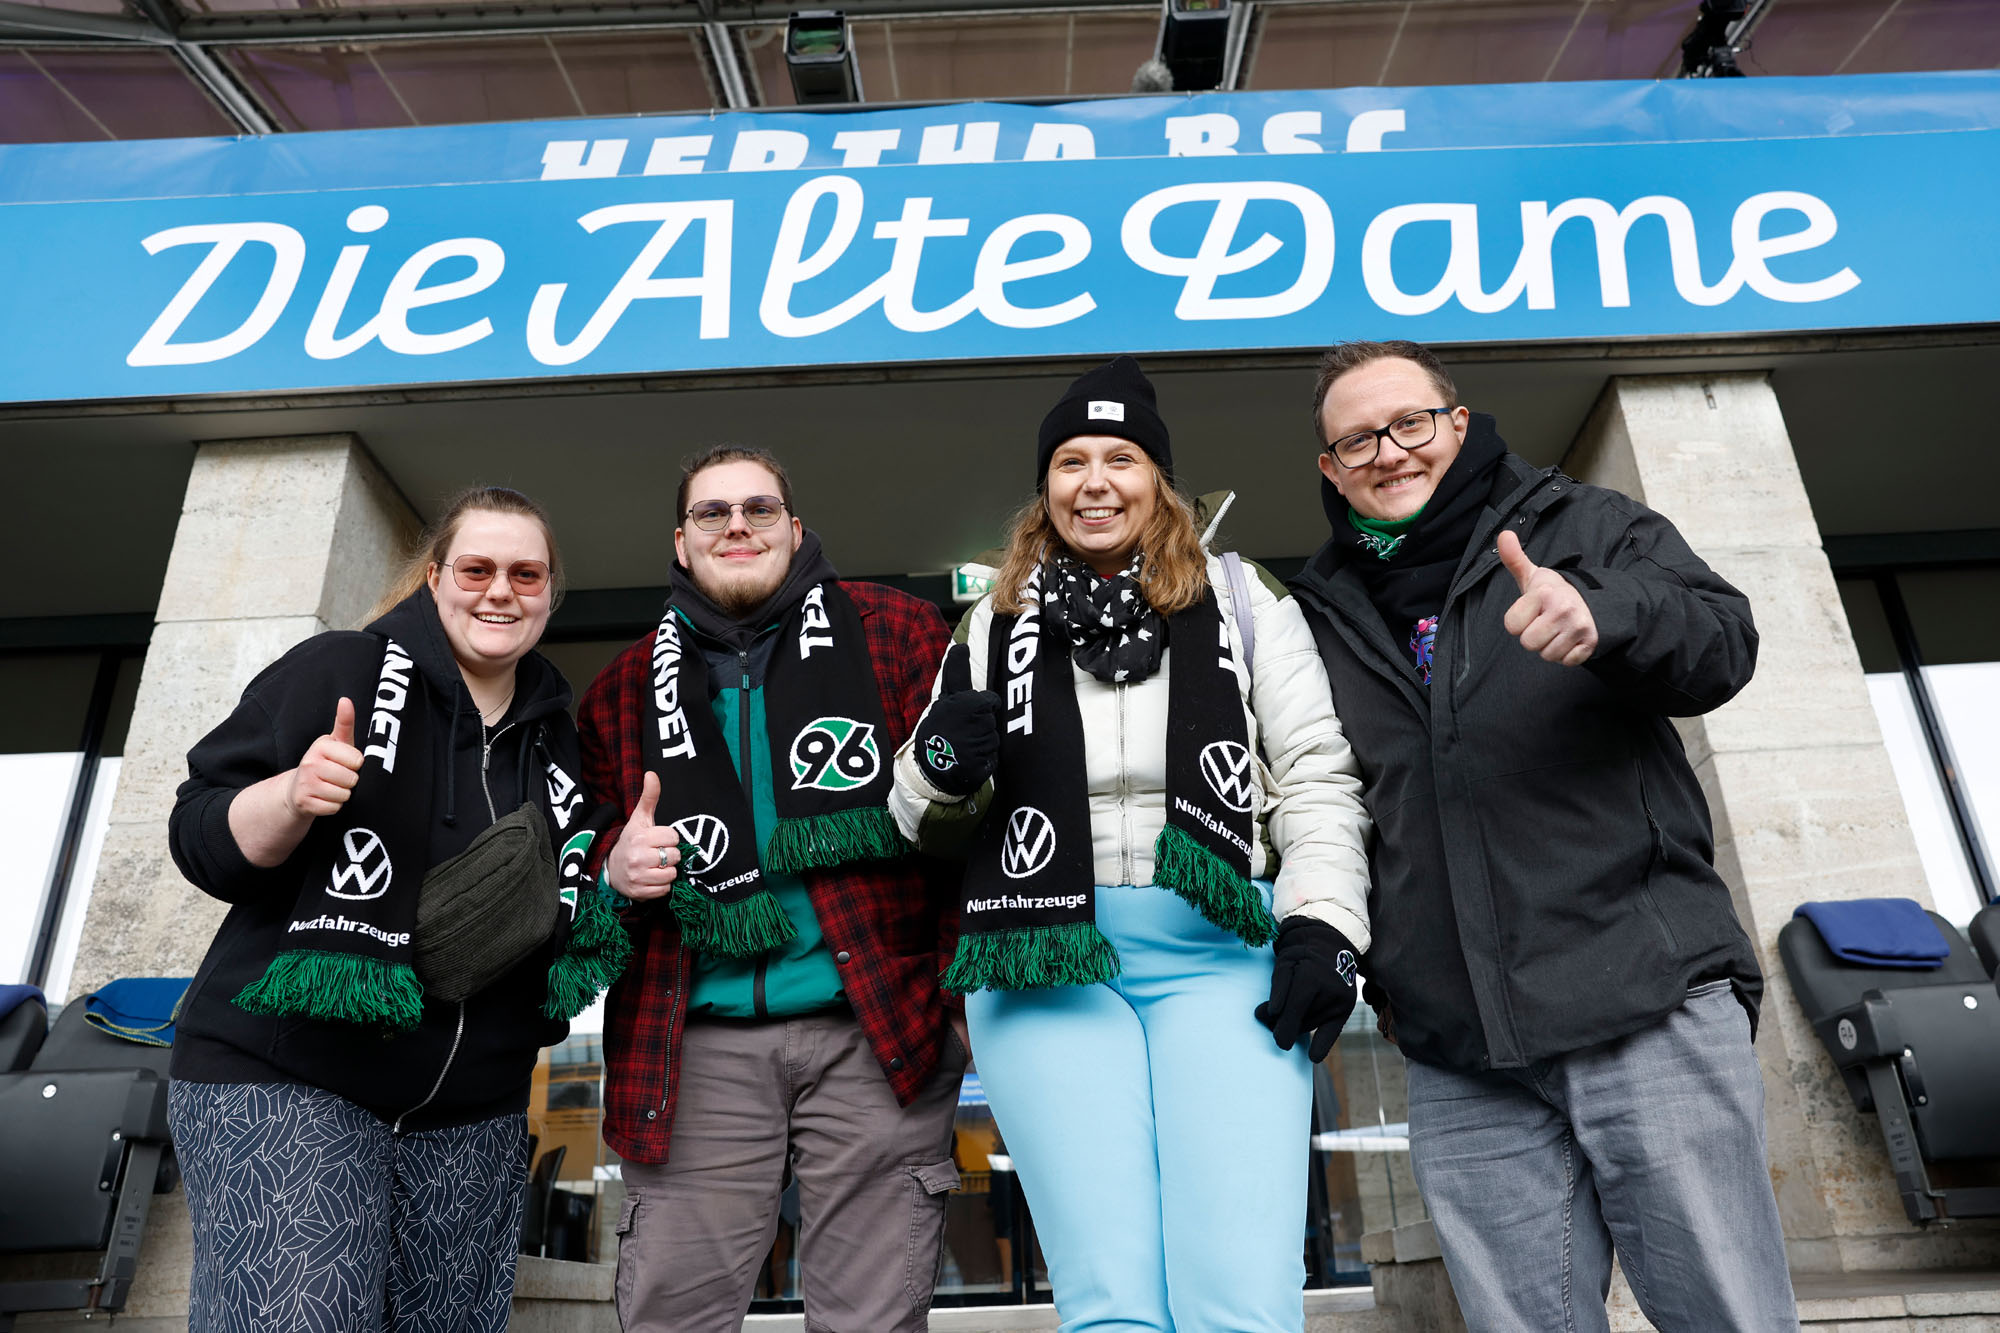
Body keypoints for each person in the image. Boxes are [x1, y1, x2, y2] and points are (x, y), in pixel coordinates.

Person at [1287, 340, 1798, 1332]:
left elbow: (1720, 640)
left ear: (1458, 423)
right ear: (1327, 468)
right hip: (1459, 1051)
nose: (1387, 453)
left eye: (1409, 425)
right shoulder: (1317, 610)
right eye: (1356, 441)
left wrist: (1607, 614)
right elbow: (1329, 800)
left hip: (1639, 1002)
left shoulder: (1578, 522)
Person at [891, 357, 1373, 1333]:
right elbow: (916, 815)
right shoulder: (992, 624)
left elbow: (1317, 776)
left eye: (1119, 457)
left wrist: (1323, 925)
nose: (1094, 480)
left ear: (1157, 479)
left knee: (1237, 1295)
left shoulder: (1240, 599)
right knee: (1108, 1299)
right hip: (1045, 965)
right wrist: (940, 760)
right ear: (1046, 487)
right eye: (1070, 460)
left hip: (1217, 955)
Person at [166, 486, 625, 1333]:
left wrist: (615, 872)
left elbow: (563, 903)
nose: (501, 591)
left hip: (471, 1105)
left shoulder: (561, 739)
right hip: (290, 1073)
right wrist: (292, 795)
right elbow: (199, 831)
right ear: (436, 575)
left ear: (550, 593)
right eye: (478, 568)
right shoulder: (340, 668)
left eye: (527, 575)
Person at [578, 445, 964, 1333]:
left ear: (795, 529)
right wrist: (612, 872)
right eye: (712, 513)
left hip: (876, 1031)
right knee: (673, 1315)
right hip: (694, 1046)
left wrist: (954, 996)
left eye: (759, 508)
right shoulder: (623, 690)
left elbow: (969, 824)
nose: (737, 525)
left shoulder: (898, 634)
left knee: (869, 1323)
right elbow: (575, 864)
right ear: (682, 543)